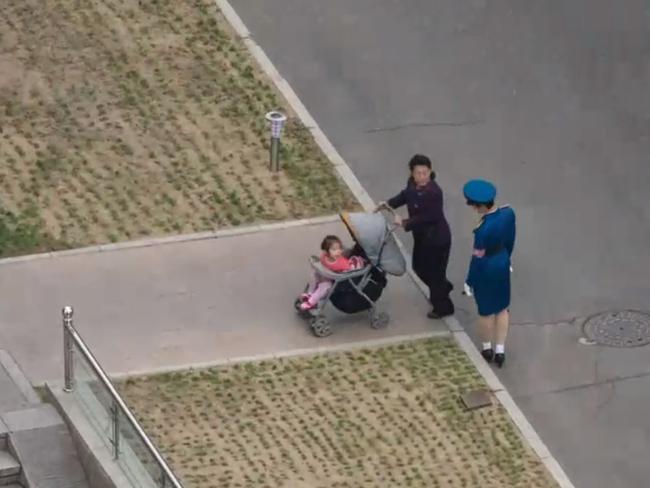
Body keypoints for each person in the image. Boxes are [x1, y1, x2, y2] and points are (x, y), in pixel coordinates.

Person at [377, 154, 454, 319]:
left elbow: (429, 217)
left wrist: (404, 222)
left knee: (435, 273)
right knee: (419, 267)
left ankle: (443, 307)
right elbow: (405, 195)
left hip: (437, 239)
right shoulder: (412, 184)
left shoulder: (434, 192)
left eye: (425, 173)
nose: (422, 176)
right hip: (421, 238)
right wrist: (388, 204)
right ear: (412, 173)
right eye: (418, 173)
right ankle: (442, 287)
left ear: (430, 171)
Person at [462, 179, 516, 368]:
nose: (473, 208)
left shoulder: (482, 230)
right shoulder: (508, 213)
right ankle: (500, 349)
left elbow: (477, 258)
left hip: (487, 269)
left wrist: (469, 281)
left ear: (480, 206)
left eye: (473, 205)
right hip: (502, 262)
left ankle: (487, 348)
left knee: (486, 312)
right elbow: (510, 239)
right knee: (502, 308)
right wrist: (507, 258)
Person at [300, 235, 365, 311]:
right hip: (325, 275)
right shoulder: (324, 256)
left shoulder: (342, 263)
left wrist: (350, 268)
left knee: (325, 286)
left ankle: (312, 302)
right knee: (314, 275)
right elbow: (321, 264)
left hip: (333, 281)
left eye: (340, 248)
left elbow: (349, 270)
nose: (338, 251)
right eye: (334, 249)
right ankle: (310, 294)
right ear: (326, 251)